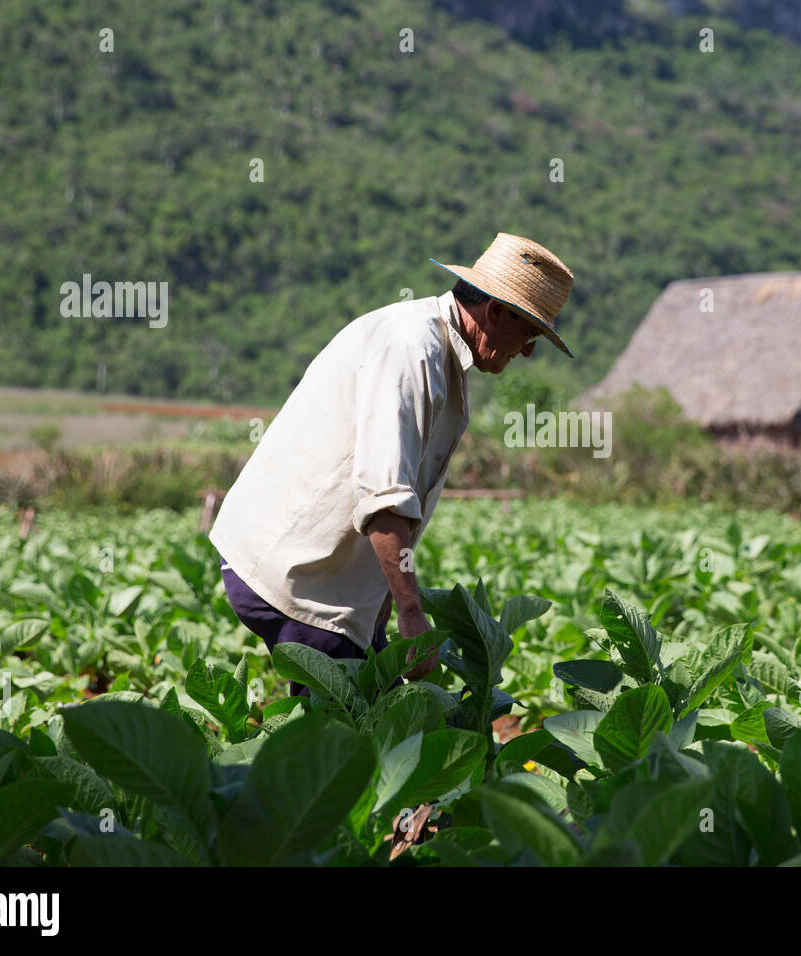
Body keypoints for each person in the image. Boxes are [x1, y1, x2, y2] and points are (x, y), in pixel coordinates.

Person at [209, 233, 576, 696]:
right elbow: (385, 496)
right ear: (496, 312)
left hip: (328, 579)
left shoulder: (440, 351)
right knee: (345, 740)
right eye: (530, 333)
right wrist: (411, 612)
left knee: (361, 727)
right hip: (299, 573)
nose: (527, 351)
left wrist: (385, 603)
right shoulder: (412, 349)